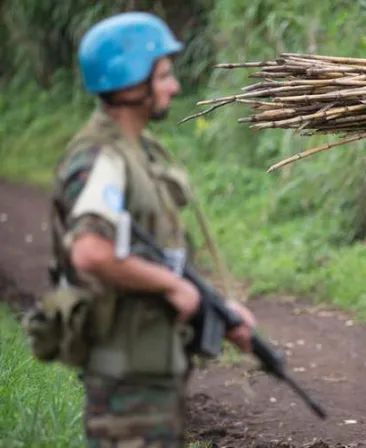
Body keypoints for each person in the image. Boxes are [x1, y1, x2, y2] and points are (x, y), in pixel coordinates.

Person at [25, 11, 257, 447]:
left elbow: (155, 253)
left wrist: (220, 310)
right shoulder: (103, 158)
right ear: (132, 82)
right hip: (125, 380)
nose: (175, 86)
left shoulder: (137, 153)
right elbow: (91, 251)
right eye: (165, 75)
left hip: (148, 368)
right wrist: (173, 287)